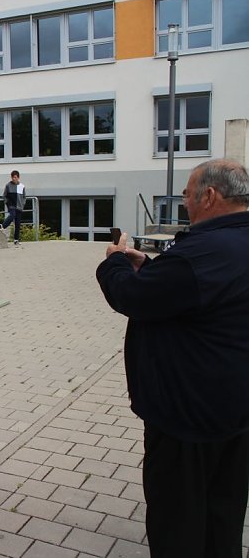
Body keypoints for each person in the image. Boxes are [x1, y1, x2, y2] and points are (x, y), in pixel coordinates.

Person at [95, 159, 249, 558]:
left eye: (186, 194)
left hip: (187, 416)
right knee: (224, 510)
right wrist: (150, 268)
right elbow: (197, 292)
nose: (184, 202)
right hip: (235, 409)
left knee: (177, 519)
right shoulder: (233, 242)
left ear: (209, 196)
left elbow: (132, 298)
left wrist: (115, 262)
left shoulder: (203, 251)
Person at [0, 170, 26, 246]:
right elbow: (4, 196)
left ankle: (16, 240)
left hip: (19, 206)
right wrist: (7, 202)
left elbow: (24, 197)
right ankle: (3, 226)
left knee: (17, 224)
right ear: (11, 177)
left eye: (15, 177)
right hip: (11, 205)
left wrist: (22, 204)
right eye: (13, 177)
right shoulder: (8, 185)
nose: (14, 179)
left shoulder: (22, 186)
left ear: (18, 177)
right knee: (12, 215)